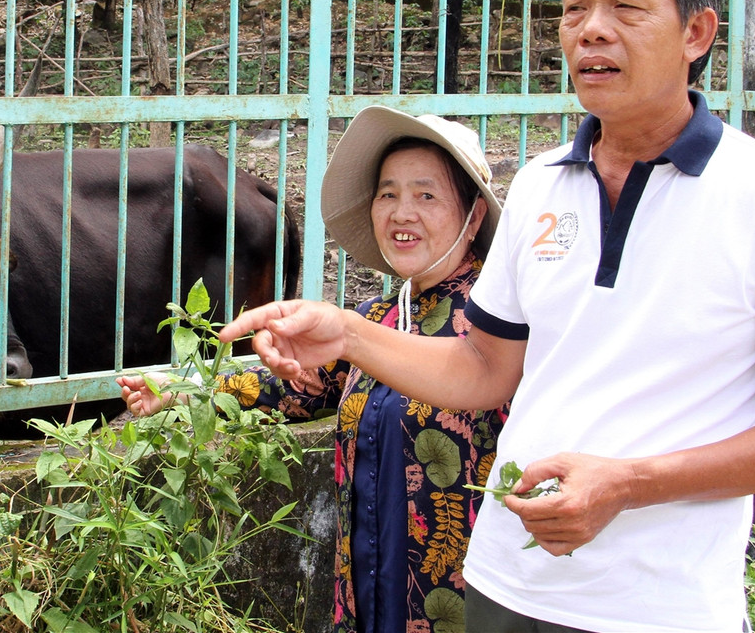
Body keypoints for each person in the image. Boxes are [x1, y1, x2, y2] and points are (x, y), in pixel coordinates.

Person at [214, 0, 755, 633]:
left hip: (663, 608)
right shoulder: (542, 184)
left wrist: (628, 485)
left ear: (696, 34)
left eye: (625, 6)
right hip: (503, 585)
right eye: (575, 8)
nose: (590, 29)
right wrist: (345, 334)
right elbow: (484, 368)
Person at [118, 107, 509, 633]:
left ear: (474, 216)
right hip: (367, 590)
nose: (401, 213)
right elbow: (293, 386)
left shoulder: (503, 324)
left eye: (427, 195)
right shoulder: (377, 317)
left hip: (466, 602)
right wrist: (187, 391)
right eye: (388, 194)